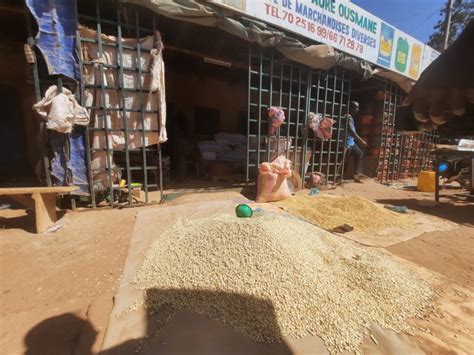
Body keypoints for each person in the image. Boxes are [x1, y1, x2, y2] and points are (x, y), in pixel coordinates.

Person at [346, 101, 368, 182]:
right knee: (345, 159)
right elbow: (351, 131)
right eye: (356, 107)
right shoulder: (348, 117)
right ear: (351, 108)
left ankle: (357, 175)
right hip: (347, 142)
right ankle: (339, 177)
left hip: (351, 142)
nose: (357, 109)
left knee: (359, 154)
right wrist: (361, 141)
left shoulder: (349, 117)